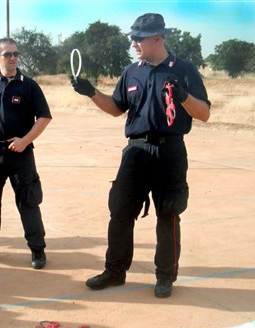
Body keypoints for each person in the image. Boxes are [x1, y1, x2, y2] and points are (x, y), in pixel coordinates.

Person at [71, 13, 211, 298]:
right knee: (120, 211)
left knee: (168, 213)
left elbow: (205, 114)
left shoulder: (184, 69)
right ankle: (114, 272)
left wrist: (183, 95)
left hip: (169, 150)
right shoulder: (132, 71)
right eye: (132, 37)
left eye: (139, 38)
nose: (133, 42)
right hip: (135, 151)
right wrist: (92, 93)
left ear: (158, 38)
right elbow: (116, 107)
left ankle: (164, 277)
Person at [0, 37, 52, 269]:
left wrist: (25, 140)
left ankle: (37, 250)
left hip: (21, 154)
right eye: (7, 54)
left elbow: (44, 117)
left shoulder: (29, 85)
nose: (13, 58)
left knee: (29, 202)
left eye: (15, 53)